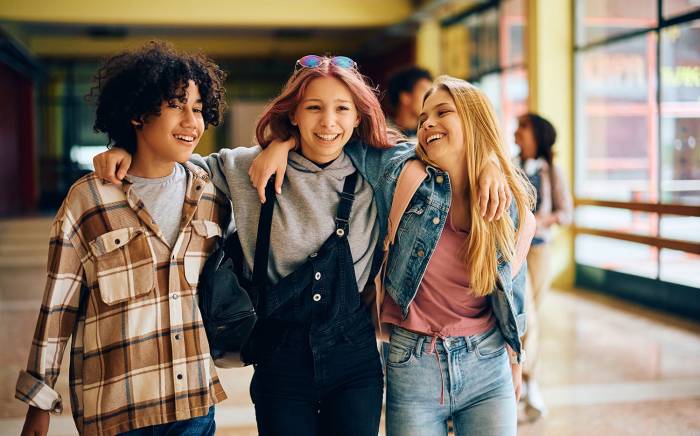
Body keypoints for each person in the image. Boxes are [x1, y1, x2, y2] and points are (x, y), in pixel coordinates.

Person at [94, 56, 511, 436]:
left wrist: (491, 161)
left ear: (358, 116)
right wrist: (124, 149)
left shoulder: (379, 169)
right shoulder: (245, 168)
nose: (328, 121)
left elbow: (441, 158)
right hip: (280, 362)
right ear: (293, 112)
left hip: (354, 359)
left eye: (342, 108)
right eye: (314, 107)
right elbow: (173, 164)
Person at [251, 75, 536, 436]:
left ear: (475, 121)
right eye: (423, 117)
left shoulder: (507, 200)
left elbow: (513, 287)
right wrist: (283, 142)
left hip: (487, 360)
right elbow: (336, 135)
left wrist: (514, 355)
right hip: (412, 362)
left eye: (442, 112)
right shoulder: (400, 170)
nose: (428, 123)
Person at [15, 41, 229, 436]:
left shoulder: (211, 195)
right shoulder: (89, 199)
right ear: (137, 112)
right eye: (177, 105)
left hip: (194, 405)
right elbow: (57, 307)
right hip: (116, 410)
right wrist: (39, 403)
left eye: (197, 108)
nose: (192, 121)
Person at [514, 113, 573, 421]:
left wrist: (539, 222)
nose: (516, 131)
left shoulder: (551, 172)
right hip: (513, 252)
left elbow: (566, 212)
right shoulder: (508, 166)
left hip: (539, 252)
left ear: (538, 135)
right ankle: (528, 382)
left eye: (523, 127)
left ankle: (526, 382)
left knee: (531, 314)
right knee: (529, 318)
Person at [386, 66, 433, 140]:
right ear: (405, 97)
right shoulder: (383, 134)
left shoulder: (430, 134)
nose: (431, 98)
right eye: (425, 91)